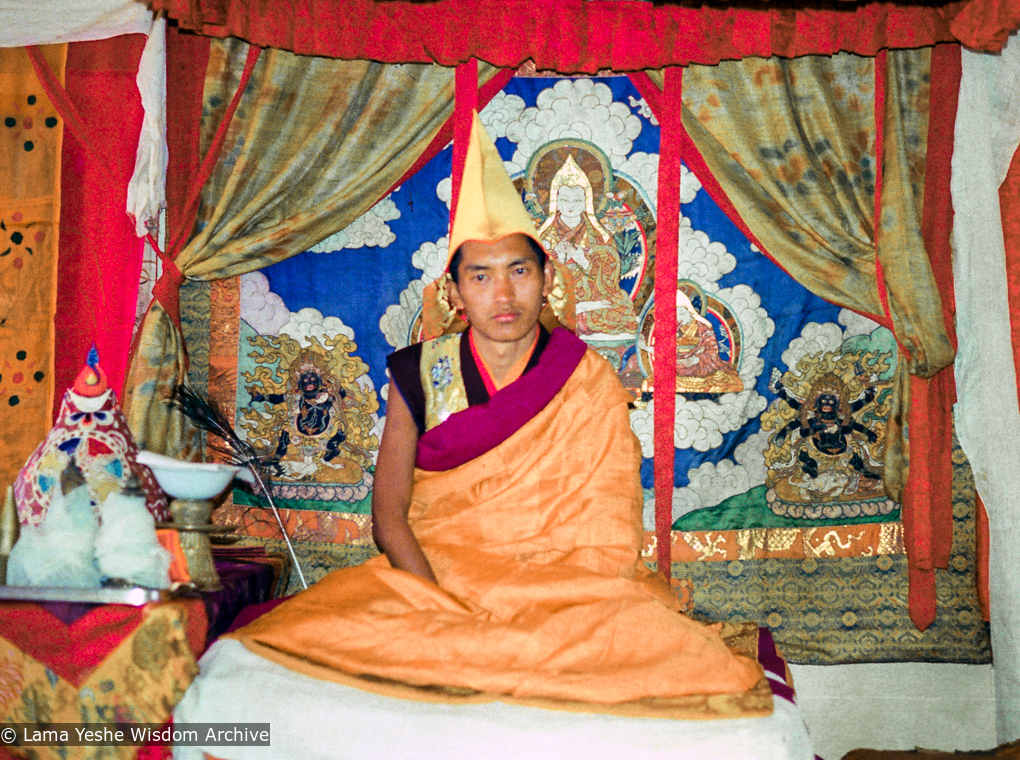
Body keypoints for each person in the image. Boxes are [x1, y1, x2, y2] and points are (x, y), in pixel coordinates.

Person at [229, 113, 766, 716]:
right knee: (310, 641)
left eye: (519, 271)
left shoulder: (585, 377)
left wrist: (551, 598)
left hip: (562, 590)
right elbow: (389, 517)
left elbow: (607, 531)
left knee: (630, 641)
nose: (503, 295)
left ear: (547, 278)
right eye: (480, 277)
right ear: (455, 291)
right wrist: (436, 608)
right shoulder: (419, 373)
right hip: (438, 574)